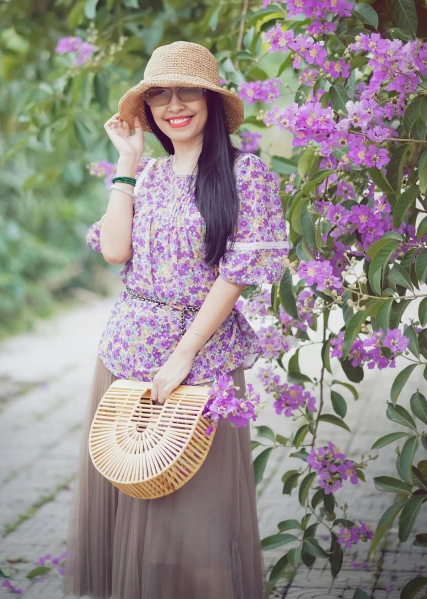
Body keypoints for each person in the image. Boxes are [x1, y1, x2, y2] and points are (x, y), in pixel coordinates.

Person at [63, 41, 289, 599]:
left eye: (187, 91)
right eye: (159, 94)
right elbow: (116, 251)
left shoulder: (246, 173)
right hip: (124, 359)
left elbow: (235, 275)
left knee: (197, 524)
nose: (174, 104)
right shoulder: (151, 176)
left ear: (211, 101)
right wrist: (126, 165)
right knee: (132, 511)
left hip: (201, 364)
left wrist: (183, 356)